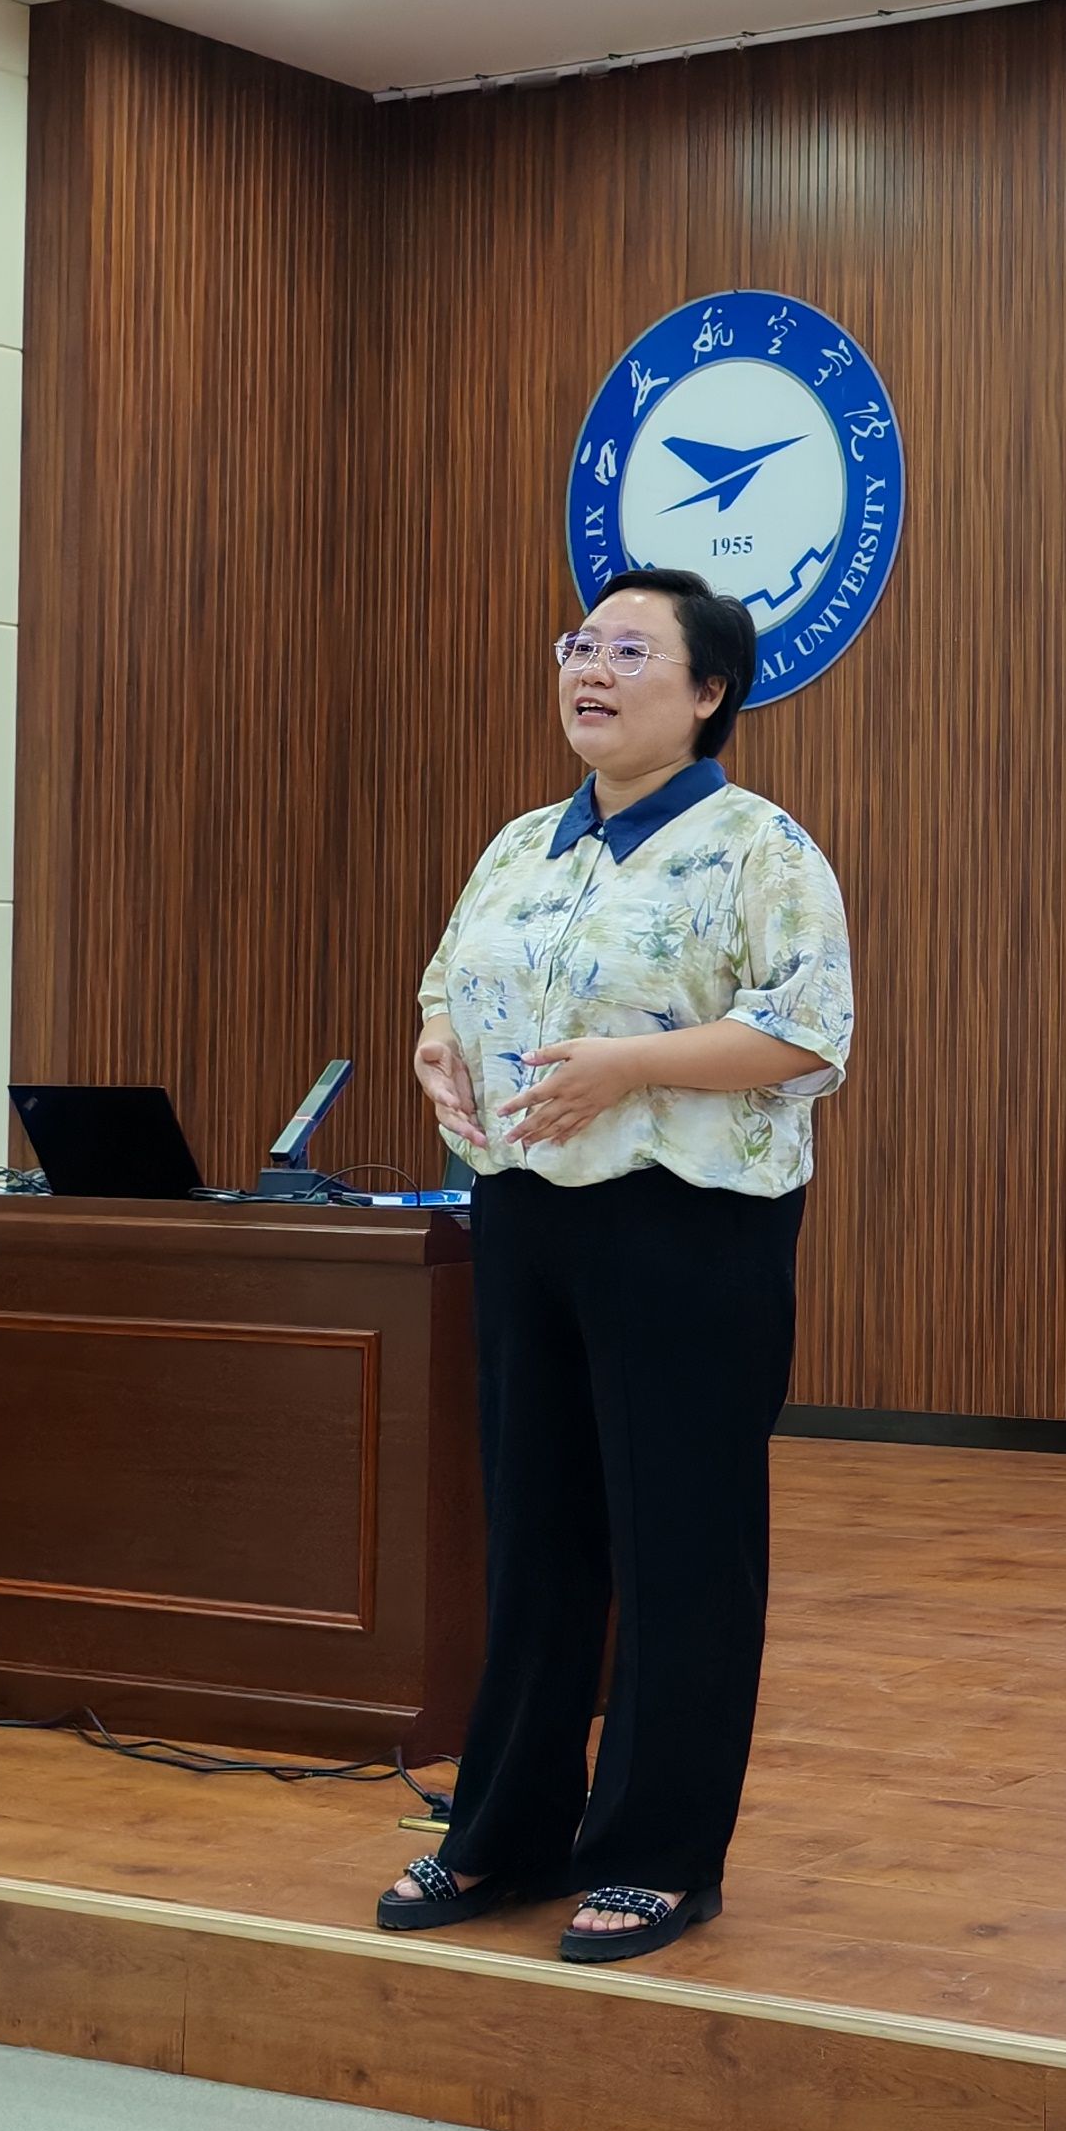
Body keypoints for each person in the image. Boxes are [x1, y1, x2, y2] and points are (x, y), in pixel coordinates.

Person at [374, 566, 854, 1964]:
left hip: (688, 1224)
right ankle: (508, 1831)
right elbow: (451, 984)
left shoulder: (761, 847)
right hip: (526, 1213)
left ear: (709, 693)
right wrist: (435, 1048)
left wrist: (629, 1068)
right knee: (533, 1535)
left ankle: (658, 1854)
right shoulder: (524, 843)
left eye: (632, 652)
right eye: (581, 645)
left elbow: (806, 1033)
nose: (591, 668)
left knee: (681, 1543)